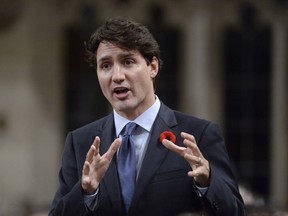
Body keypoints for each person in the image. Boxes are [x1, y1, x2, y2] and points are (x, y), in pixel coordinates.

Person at [49, 17, 246, 216]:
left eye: (128, 62)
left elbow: (235, 212)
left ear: (153, 67)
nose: (117, 76)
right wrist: (86, 192)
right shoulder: (81, 142)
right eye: (106, 65)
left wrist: (207, 182)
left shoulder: (198, 135)